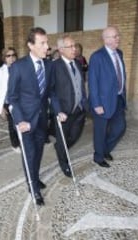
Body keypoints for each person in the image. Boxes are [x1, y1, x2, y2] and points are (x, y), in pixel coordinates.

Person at [7, 27, 58, 205]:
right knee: (29, 155)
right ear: (31, 45)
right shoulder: (18, 67)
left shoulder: (49, 65)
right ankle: (33, 188)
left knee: (38, 153)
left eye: (47, 42)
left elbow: (51, 91)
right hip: (25, 122)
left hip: (42, 119)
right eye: (42, 43)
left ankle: (34, 178)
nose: (47, 46)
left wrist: (58, 111)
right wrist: (20, 120)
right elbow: (11, 97)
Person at [88, 26, 127, 168]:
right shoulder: (97, 56)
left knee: (120, 127)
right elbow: (93, 81)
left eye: (118, 35)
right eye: (114, 36)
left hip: (118, 98)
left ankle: (105, 149)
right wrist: (96, 104)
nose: (118, 38)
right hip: (102, 102)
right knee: (100, 131)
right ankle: (98, 157)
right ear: (105, 39)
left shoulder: (119, 53)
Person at [51, 35, 88, 177]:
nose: (74, 49)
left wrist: (85, 103)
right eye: (70, 46)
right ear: (61, 50)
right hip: (63, 113)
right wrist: (58, 111)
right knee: (62, 140)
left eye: (75, 46)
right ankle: (64, 163)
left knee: (74, 136)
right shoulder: (55, 66)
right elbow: (52, 92)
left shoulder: (78, 63)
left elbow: (80, 86)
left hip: (79, 110)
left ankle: (60, 147)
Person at [0, 47, 20, 153]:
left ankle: (22, 141)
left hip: (19, 102)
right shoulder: (0, 72)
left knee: (21, 123)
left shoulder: (20, 69)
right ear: (4, 58)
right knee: (12, 126)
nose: (11, 58)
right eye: (8, 56)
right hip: (8, 103)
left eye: (13, 55)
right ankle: (15, 144)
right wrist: (0, 108)